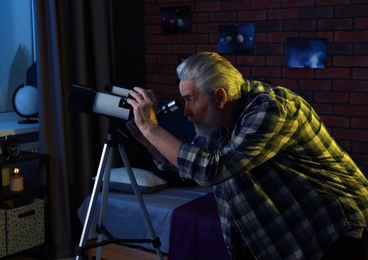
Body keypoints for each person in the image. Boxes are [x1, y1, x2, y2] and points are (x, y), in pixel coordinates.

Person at [126, 52, 368, 259]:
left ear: (220, 97)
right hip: (295, 231)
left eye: (189, 99)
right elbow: (188, 167)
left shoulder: (272, 108)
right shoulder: (216, 121)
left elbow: (210, 170)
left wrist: (152, 128)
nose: (186, 111)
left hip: (339, 229)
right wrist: (147, 139)